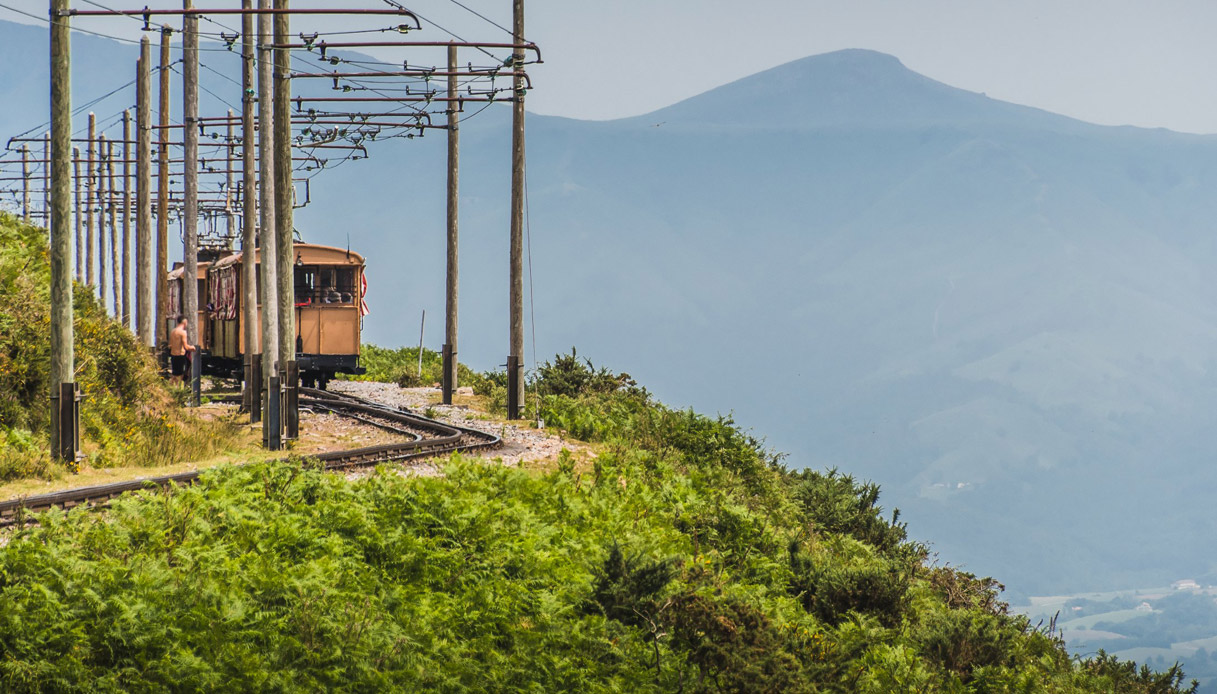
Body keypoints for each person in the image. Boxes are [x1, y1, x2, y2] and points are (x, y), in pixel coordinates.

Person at [168, 317, 195, 386]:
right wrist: (192, 348)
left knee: (174, 374)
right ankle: (178, 389)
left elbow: (170, 345)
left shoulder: (173, 331)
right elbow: (186, 346)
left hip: (173, 355)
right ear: (184, 322)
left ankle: (170, 388)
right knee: (181, 375)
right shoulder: (183, 332)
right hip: (180, 355)